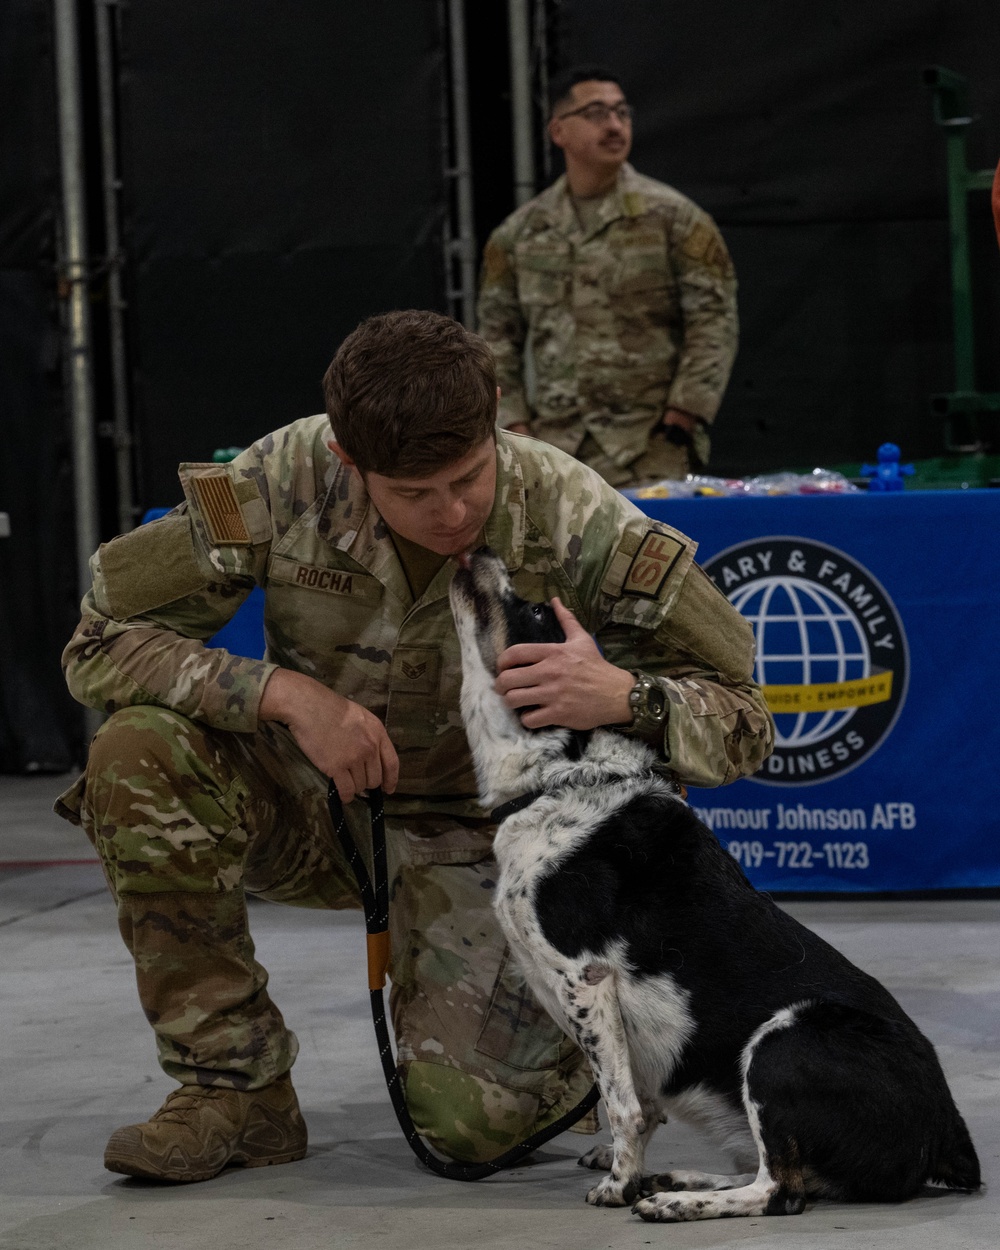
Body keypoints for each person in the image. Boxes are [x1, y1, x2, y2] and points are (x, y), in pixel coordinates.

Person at [57, 309, 773, 1183]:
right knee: (138, 752)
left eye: (470, 478)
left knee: (465, 1130)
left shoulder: (578, 515)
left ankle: (575, 1058)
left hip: (502, 851)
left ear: (497, 415)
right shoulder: (279, 480)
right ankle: (233, 1094)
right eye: (413, 494)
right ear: (351, 464)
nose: (453, 513)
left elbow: (747, 718)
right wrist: (282, 694)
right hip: (327, 809)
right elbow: (97, 644)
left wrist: (630, 697)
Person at [477, 65, 738, 488]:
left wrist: (682, 418)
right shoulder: (518, 234)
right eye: (597, 113)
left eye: (622, 113)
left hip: (649, 447)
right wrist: (516, 429)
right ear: (558, 131)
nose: (615, 125)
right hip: (555, 452)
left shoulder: (676, 220)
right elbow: (496, 339)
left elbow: (713, 323)